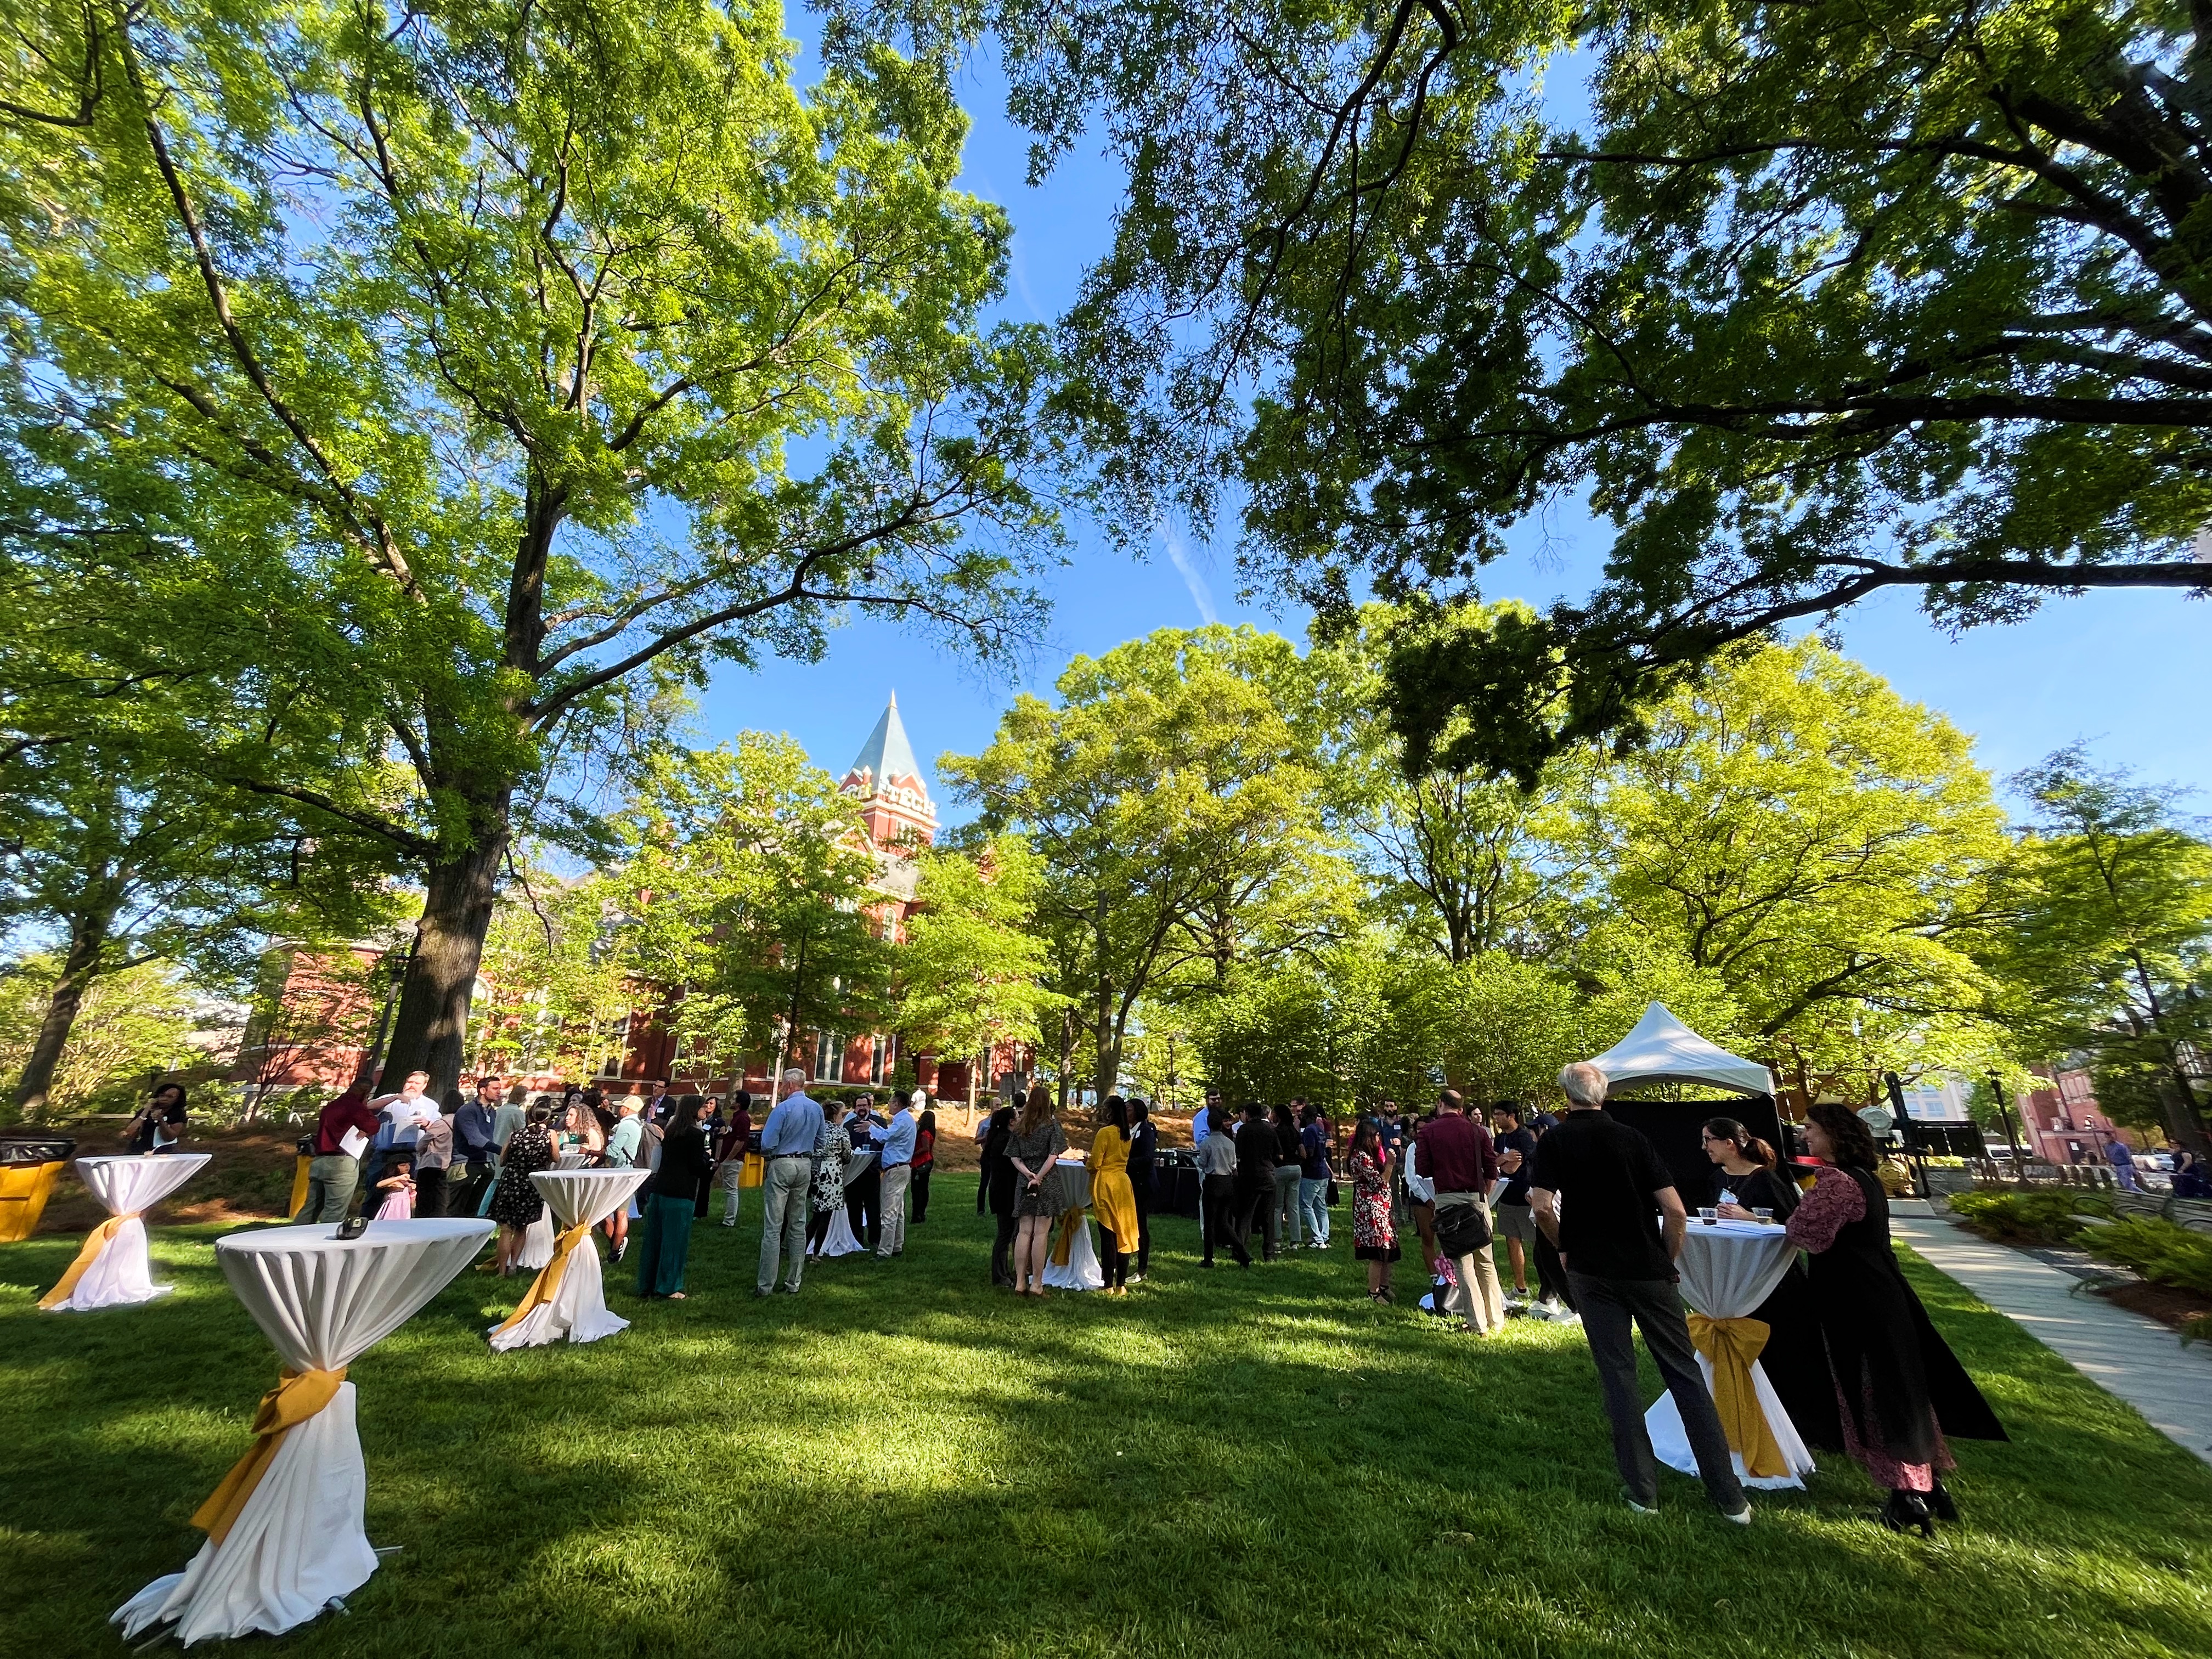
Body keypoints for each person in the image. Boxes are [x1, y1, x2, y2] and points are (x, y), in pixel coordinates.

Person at [1530, 1061, 1750, 1523]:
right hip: (1647, 1270)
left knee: (1618, 1379)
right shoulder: (1633, 1138)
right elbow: (1675, 1212)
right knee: (1684, 1374)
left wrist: (1563, 1247)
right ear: (1603, 1094)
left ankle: (1643, 1491)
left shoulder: (1556, 1140)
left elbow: (1543, 1206)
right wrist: (1667, 1260)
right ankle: (1729, 1496)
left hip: (1592, 1271)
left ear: (1567, 1096)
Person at [1788, 1098, 2006, 1533]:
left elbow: (1805, 1233)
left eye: (1811, 1128)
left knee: (1877, 1392)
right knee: (1904, 1391)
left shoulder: (1837, 1183)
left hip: (1856, 1299)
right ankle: (1930, 1485)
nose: (1805, 1135)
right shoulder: (1865, 1178)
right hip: (1881, 1292)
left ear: (1833, 1135)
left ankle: (1906, 1496)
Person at [1418, 1089, 1504, 1335]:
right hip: (1477, 1198)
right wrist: (1483, 1194)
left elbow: (1423, 1168)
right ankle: (1496, 1319)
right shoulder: (1478, 1131)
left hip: (1447, 1198)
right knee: (1486, 1261)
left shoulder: (1429, 1132)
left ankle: (1478, 1324)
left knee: (1462, 1263)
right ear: (1461, 1108)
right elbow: (1492, 1169)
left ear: (1440, 1105)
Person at [757, 1069, 825, 1296]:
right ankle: (794, 1281)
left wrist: (775, 1151)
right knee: (798, 1223)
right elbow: (821, 1140)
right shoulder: (816, 1108)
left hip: (782, 1162)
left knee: (773, 1226)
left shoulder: (782, 1109)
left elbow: (767, 1142)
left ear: (788, 1085)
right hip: (805, 1163)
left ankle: (766, 1284)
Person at [636, 1095, 712, 1300]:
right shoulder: (696, 1135)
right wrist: (708, 1158)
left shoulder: (671, 1132)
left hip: (661, 1189)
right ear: (693, 1110)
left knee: (655, 1240)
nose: (706, 1110)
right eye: (703, 1107)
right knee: (675, 1242)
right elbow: (696, 1166)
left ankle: (647, 1283)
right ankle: (669, 1286)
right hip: (681, 1193)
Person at [1006, 1089, 1069, 1296]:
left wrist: (1028, 1174)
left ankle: (1020, 1282)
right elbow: (1053, 1155)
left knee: (1024, 1231)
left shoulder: (1020, 1127)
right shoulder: (1052, 1126)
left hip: (1024, 1181)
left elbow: (1014, 1157)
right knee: (1041, 1233)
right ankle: (1037, 1284)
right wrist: (1039, 1176)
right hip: (1047, 1181)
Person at [488, 1104, 557, 1277]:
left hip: (511, 1181)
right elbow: (556, 1157)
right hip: (532, 1184)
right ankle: (513, 1267)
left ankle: (501, 1271)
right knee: (521, 1229)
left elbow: (503, 1160)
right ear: (547, 1119)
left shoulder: (515, 1135)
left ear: (529, 1117)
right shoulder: (550, 1135)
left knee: (506, 1230)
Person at [295, 1086, 381, 1223]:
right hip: (341, 1162)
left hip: (319, 1159)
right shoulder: (355, 1107)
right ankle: (327, 1243)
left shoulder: (331, 1106)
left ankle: (295, 1237)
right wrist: (365, 1113)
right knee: (335, 1209)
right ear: (366, 1093)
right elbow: (373, 1126)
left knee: (311, 1207)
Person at [1090, 1097, 1142, 1295]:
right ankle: (1121, 1284)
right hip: (1123, 1183)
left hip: (1106, 1183)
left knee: (1108, 1235)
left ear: (1110, 1111)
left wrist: (1088, 1164)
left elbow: (1095, 1162)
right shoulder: (1126, 1133)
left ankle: (1107, 1284)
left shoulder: (1105, 1132)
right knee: (1124, 1232)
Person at [1705, 1118, 1801, 1221]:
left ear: (1728, 1143)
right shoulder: (1717, 1177)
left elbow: (1790, 1222)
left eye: (1707, 1140)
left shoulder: (1765, 1178)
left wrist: (1749, 1217)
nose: (1704, 1146)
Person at [1490, 1103, 1540, 1299]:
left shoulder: (1524, 1138)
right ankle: (1520, 1286)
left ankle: (1550, 1288)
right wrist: (1504, 1158)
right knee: (1512, 1241)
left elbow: (1513, 1168)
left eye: (1500, 1115)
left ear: (1512, 1116)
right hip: (1506, 1197)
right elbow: (1493, 1163)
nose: (1496, 1118)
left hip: (1525, 1197)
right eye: (1494, 1115)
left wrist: (1501, 1161)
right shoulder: (1500, 1138)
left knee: (1538, 1244)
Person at [1349, 1120, 1399, 1302]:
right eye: (1376, 1136)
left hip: (1382, 1208)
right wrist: (1391, 1165)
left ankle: (1385, 1286)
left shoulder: (1369, 1156)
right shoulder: (1361, 1157)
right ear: (1367, 1137)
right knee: (1377, 1251)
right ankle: (1374, 1292)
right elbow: (1380, 1182)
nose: (1379, 1139)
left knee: (1388, 1249)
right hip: (1371, 1209)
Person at [1199, 1105, 1248, 1267]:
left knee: (1210, 1222)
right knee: (1224, 1221)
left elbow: (1202, 1163)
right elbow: (1234, 1165)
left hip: (1213, 1181)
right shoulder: (1229, 1143)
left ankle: (1208, 1258)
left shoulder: (1207, 1143)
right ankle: (1241, 1251)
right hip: (1228, 1182)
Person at [1234, 1103, 1282, 1261]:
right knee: (1269, 1218)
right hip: (1268, 1176)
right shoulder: (1270, 1130)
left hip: (1248, 1177)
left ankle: (1240, 1250)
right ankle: (1269, 1254)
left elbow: (1238, 1154)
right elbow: (1278, 1155)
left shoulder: (1243, 1130)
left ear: (1248, 1114)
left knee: (1245, 1216)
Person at [807, 1098, 854, 1258]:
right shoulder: (841, 1132)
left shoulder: (815, 1130)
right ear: (835, 1116)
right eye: (842, 1114)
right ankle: (816, 1254)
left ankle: (802, 1249)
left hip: (815, 1171)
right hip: (832, 1173)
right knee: (825, 1216)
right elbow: (847, 1155)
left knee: (815, 1214)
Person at [601, 1096, 645, 1263]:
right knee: (622, 1213)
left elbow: (613, 1151)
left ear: (627, 1109)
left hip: (619, 1173)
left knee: (609, 1213)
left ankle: (615, 1249)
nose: (619, 1110)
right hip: (628, 1172)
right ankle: (616, 1248)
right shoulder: (637, 1125)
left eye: (621, 1107)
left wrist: (596, 1154)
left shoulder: (626, 1125)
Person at [877, 1088, 918, 1257]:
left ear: (897, 1104)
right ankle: (897, 1245)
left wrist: (870, 1128)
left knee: (889, 1211)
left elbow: (884, 1137)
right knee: (898, 1210)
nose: (889, 1105)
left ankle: (884, 1250)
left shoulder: (901, 1121)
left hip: (895, 1169)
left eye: (891, 1102)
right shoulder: (906, 1120)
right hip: (901, 1168)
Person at [454, 1076, 503, 1213]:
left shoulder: (492, 1112)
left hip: (485, 1164)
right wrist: (503, 1150)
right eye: (495, 1088)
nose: (499, 1092)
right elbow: (475, 1139)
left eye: (500, 1089)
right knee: (456, 1209)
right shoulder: (467, 1111)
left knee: (473, 1209)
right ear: (482, 1090)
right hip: (465, 1164)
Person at [984, 1102, 1019, 1286]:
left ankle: (1004, 1272)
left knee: (1007, 1233)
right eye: (1018, 1118)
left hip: (1001, 1190)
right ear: (1012, 1122)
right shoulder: (1006, 1140)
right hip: (1005, 1193)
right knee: (1005, 1234)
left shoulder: (998, 1137)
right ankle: (999, 1275)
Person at [845, 1095, 883, 1250]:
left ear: (870, 1107)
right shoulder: (848, 1126)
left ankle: (875, 1239)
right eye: (859, 1106)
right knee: (854, 1208)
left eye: (864, 1105)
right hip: (854, 1173)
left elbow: (884, 1145)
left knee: (873, 1207)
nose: (862, 1108)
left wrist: (877, 1165)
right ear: (855, 1108)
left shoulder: (879, 1123)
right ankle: (856, 1239)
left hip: (872, 1172)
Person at [1126, 1098, 1157, 1279]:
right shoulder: (1127, 1131)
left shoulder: (1145, 1131)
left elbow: (1147, 1158)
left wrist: (1124, 1164)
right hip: (1129, 1182)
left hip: (1142, 1184)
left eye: (1128, 1110)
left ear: (1137, 1111)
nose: (1125, 1113)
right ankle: (1122, 1261)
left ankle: (1142, 1268)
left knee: (1141, 1226)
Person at [1298, 1102, 1333, 1251]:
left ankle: (1317, 1238)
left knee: (1306, 1206)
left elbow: (1309, 1152)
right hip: (1323, 1172)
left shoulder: (1309, 1131)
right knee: (1321, 1206)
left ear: (1306, 1117)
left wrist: (1300, 1154)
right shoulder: (1320, 1130)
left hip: (1311, 1173)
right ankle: (1325, 1236)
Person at [1271, 1102, 1306, 1249]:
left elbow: (1275, 1153)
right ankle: (1296, 1241)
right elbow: (1303, 1153)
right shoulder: (1295, 1132)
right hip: (1296, 1169)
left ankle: (1277, 1239)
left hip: (1281, 1169)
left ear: (1277, 1115)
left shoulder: (1276, 1132)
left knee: (1278, 1206)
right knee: (1294, 1206)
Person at [413, 1101, 455, 1218]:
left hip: (432, 1163)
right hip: (450, 1163)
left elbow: (421, 1144)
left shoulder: (442, 1123)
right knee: (442, 1199)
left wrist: (420, 1151)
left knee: (425, 1201)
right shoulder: (462, 1122)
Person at [125, 1084, 189, 1153]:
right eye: (162, 1096)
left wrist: (161, 1120)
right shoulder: (145, 1111)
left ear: (177, 1099)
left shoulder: (177, 1113)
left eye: (170, 1097)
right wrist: (146, 1110)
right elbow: (130, 1132)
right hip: (139, 1150)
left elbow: (170, 1137)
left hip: (163, 1152)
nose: (164, 1099)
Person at [911, 1107, 936, 1223]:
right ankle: (921, 1214)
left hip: (921, 1162)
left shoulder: (924, 1133)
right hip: (927, 1161)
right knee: (923, 1189)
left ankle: (917, 1215)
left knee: (917, 1190)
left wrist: (913, 1154)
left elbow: (925, 1148)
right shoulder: (930, 1132)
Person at [373, 1152, 416, 1218]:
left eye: (409, 1165)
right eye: (403, 1165)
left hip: (406, 1209)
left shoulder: (410, 1182)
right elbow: (379, 1185)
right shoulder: (392, 1180)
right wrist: (399, 1178)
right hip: (393, 1209)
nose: (407, 1167)